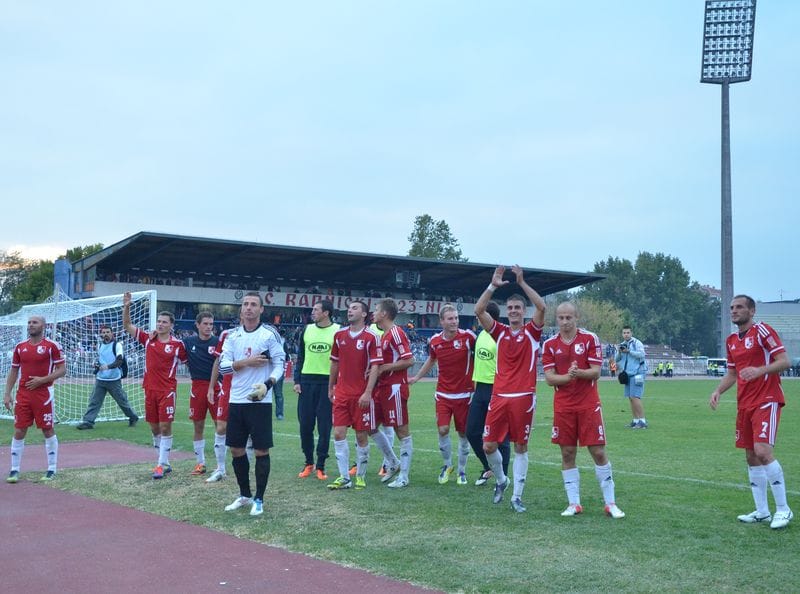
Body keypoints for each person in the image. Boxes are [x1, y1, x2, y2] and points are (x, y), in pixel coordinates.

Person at [709, 295, 792, 529]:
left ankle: (783, 509)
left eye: (739, 307)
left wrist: (760, 370)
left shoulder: (763, 331)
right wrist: (718, 391)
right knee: (751, 456)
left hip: (767, 399)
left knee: (763, 451)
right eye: (732, 308)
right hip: (744, 403)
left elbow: (784, 361)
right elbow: (732, 373)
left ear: (752, 311)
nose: (734, 311)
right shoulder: (731, 340)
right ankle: (762, 511)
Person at [542, 302, 625, 519]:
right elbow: (549, 378)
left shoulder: (590, 339)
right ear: (556, 319)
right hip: (564, 406)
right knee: (567, 453)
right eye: (561, 318)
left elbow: (596, 372)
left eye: (568, 317)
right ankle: (574, 503)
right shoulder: (550, 344)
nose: (565, 322)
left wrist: (577, 373)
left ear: (576, 317)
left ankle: (611, 503)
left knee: (598, 452)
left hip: (588, 404)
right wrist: (569, 376)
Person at [474, 265, 546, 513]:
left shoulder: (532, 333)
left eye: (517, 307)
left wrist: (522, 282)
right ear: (506, 312)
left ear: (524, 311)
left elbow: (542, 307)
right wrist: (492, 286)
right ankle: (502, 480)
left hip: (523, 397)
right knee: (488, 446)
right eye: (510, 308)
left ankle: (517, 496)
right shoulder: (500, 332)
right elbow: (479, 310)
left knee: (520, 447)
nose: (514, 311)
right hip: (499, 396)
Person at [219, 292, 285, 517]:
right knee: (236, 449)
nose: (248, 308)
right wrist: (247, 362)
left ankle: (259, 499)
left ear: (261, 309)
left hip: (260, 400)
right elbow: (223, 367)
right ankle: (244, 494)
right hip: (237, 399)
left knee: (260, 450)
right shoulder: (232, 336)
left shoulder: (269, 334)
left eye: (253, 304)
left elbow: (280, 364)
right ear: (241, 309)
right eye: (245, 304)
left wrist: (268, 384)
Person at [122, 292, 187, 479]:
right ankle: (163, 461)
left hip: (167, 391)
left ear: (171, 325)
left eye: (164, 322)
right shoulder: (148, 339)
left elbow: (188, 362)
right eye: (159, 321)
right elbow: (127, 325)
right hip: (149, 390)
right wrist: (127, 306)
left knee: (165, 427)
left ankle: (161, 464)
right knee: (154, 428)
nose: (160, 324)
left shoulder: (177, 345)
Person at [410, 304, 475, 486]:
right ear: (442, 321)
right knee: (443, 430)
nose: (454, 321)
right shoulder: (435, 341)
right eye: (450, 318)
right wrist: (416, 377)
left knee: (463, 434)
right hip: (443, 394)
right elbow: (431, 360)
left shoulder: (469, 337)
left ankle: (462, 471)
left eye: (456, 318)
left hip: (465, 395)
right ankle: (447, 465)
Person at [326, 301, 387, 490]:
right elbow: (335, 363)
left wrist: (368, 392)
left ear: (364, 314)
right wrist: (331, 387)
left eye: (355, 308)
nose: (350, 311)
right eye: (349, 308)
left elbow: (376, 366)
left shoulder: (371, 337)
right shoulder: (339, 335)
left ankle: (360, 476)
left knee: (361, 435)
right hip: (342, 393)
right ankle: (344, 477)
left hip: (361, 395)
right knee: (338, 433)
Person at [4, 316, 66, 483]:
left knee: (47, 430)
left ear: (43, 326)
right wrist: (7, 393)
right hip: (23, 395)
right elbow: (14, 371)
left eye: (35, 322)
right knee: (19, 430)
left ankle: (52, 469)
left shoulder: (51, 346)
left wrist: (42, 380)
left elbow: (62, 370)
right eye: (29, 322)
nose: (31, 325)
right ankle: (14, 470)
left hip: (43, 395)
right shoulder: (20, 347)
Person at [465, 301, 510, 487]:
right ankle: (488, 467)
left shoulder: (502, 335)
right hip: (480, 389)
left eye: (480, 316)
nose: (477, 319)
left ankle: (503, 477)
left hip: (497, 389)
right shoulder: (480, 334)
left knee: (501, 437)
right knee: (472, 432)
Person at [293, 300, 339, 480]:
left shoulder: (338, 331)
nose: (312, 312)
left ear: (326, 313)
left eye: (316, 309)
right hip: (306, 382)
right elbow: (301, 356)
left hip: (327, 383)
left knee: (324, 426)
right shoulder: (307, 330)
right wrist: (297, 380)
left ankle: (320, 465)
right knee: (305, 425)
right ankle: (308, 462)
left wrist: (336, 383)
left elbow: (341, 360)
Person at [371, 298, 413, 488]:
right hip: (382, 388)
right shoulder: (384, 335)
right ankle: (393, 462)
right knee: (370, 426)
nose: (373, 313)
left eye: (376, 310)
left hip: (394, 388)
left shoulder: (396, 333)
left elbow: (409, 360)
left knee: (401, 431)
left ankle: (404, 476)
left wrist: (385, 367)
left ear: (384, 314)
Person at [76, 325, 138, 430]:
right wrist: (96, 364)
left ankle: (133, 416)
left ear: (112, 333)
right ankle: (88, 422)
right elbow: (101, 359)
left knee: (122, 401)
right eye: (104, 332)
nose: (106, 334)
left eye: (108, 332)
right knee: (94, 401)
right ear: (101, 334)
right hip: (101, 379)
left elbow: (119, 361)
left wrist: (108, 367)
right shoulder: (100, 345)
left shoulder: (117, 345)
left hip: (114, 379)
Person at [182, 311, 220, 476]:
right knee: (198, 425)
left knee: (220, 426)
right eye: (205, 324)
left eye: (211, 324)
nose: (208, 327)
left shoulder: (218, 342)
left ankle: (220, 465)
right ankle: (200, 463)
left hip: (216, 387)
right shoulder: (188, 342)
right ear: (197, 325)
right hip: (197, 387)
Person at [615, 326, 647, 428]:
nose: (626, 334)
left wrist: (629, 351)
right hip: (627, 374)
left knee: (635, 397)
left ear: (631, 333)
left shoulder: (637, 343)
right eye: (624, 333)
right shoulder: (622, 344)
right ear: (622, 334)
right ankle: (635, 420)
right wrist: (619, 352)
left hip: (638, 373)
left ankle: (642, 421)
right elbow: (616, 359)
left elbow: (642, 355)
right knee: (630, 398)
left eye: (628, 332)